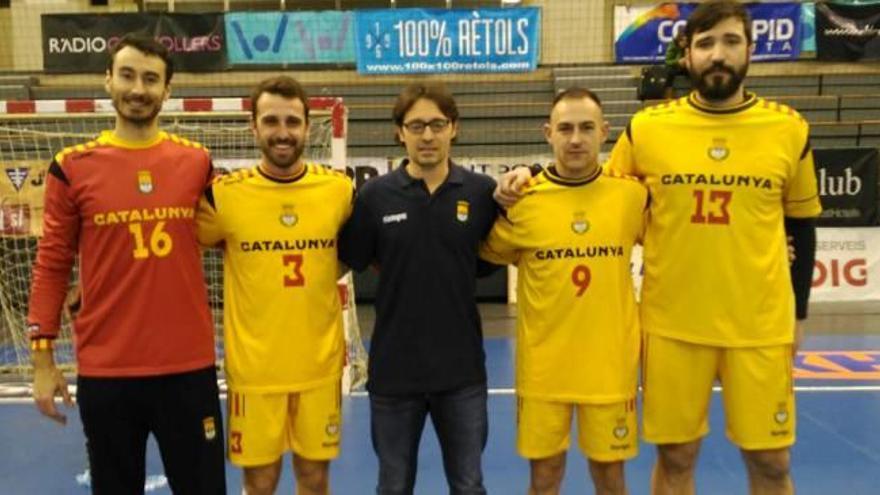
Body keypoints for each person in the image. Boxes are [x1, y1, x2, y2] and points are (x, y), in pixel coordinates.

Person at [497, 2, 821, 494]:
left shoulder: (788, 128)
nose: (718, 55)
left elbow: (802, 223)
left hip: (760, 324)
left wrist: (798, 314)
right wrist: (533, 175)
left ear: (750, 51)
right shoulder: (648, 129)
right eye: (706, 44)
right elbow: (594, 186)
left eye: (731, 42)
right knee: (676, 457)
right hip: (672, 326)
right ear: (687, 56)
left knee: (772, 461)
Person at [27, 33, 225, 494]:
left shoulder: (196, 162)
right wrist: (42, 359)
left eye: (151, 79)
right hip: (108, 372)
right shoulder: (71, 167)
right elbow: (52, 263)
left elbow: (233, 236)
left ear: (167, 91)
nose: (139, 89)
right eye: (129, 75)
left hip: (188, 368)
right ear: (108, 81)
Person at [479, 88, 646, 495]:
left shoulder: (632, 196)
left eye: (586, 128)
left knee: (610, 478)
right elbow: (481, 253)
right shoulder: (524, 201)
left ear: (604, 132)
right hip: (544, 371)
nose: (576, 139)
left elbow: (681, 237)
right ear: (548, 133)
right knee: (545, 478)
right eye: (566, 128)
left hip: (610, 368)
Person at [338, 82, 498, 495]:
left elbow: (488, 258)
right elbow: (353, 257)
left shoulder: (482, 194)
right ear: (399, 132)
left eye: (436, 124)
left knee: (468, 485)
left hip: (462, 373)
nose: (427, 135)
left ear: (454, 128)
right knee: (393, 486)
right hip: (394, 374)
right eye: (416, 126)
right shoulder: (374, 196)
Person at [196, 76, 352, 495]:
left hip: (318, 369)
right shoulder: (224, 197)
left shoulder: (338, 191)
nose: (282, 132)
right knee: (260, 483)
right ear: (253, 127)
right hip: (254, 372)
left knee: (315, 479)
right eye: (270, 121)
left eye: (292, 121)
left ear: (307, 125)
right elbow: (167, 243)